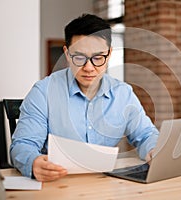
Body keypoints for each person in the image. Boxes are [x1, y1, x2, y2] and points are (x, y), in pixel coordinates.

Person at [10, 13, 159, 182]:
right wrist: (33, 162)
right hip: (57, 184)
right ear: (67, 54)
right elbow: (23, 145)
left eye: (98, 57)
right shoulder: (43, 92)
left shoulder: (123, 94)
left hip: (104, 185)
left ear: (109, 54)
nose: (89, 68)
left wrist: (154, 150)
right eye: (79, 57)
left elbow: (146, 134)